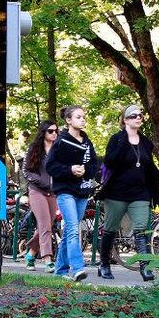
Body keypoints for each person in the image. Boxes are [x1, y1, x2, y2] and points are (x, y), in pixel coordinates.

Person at [97, 105, 159, 281]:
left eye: (140, 115)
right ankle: (104, 264)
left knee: (141, 229)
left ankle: (145, 267)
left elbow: (150, 168)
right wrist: (125, 140)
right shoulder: (117, 139)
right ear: (125, 120)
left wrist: (154, 192)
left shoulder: (146, 142)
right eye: (133, 116)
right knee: (110, 229)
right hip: (116, 193)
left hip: (139, 194)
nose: (138, 118)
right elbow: (109, 161)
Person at [45, 105, 100, 282]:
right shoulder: (61, 141)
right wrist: (70, 169)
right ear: (69, 120)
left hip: (82, 192)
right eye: (78, 117)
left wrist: (85, 170)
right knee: (73, 229)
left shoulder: (87, 142)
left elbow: (94, 165)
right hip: (65, 191)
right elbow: (50, 166)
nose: (83, 120)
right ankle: (77, 268)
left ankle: (60, 271)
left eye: (84, 117)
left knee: (70, 230)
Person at [22, 120, 60, 273]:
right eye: (51, 131)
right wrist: (42, 183)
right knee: (44, 225)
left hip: (53, 193)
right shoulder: (34, 149)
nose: (54, 134)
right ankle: (47, 259)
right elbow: (26, 171)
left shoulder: (58, 151)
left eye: (56, 131)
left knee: (46, 226)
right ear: (43, 132)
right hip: (37, 191)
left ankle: (30, 254)